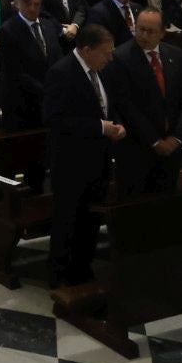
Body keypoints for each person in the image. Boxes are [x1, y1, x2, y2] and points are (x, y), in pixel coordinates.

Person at [44, 25, 125, 288]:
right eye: (106, 53)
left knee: (90, 221)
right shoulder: (62, 72)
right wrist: (101, 127)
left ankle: (83, 269)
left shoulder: (103, 71)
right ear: (86, 50)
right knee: (68, 221)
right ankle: (60, 277)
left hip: (98, 159)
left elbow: (109, 105)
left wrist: (117, 124)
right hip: (71, 163)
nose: (110, 58)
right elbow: (55, 120)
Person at [107, 8, 182, 196]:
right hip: (137, 149)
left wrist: (176, 138)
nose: (143, 35)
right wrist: (155, 142)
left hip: (172, 147)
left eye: (150, 31)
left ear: (162, 33)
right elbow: (126, 106)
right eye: (140, 29)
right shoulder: (120, 58)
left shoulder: (176, 55)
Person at [0, 0, 63, 132]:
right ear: (18, 4)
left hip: (50, 99)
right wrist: (44, 90)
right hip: (24, 103)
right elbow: (14, 70)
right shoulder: (8, 30)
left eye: (37, 5)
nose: (33, 9)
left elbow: (57, 58)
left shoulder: (49, 26)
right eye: (28, 5)